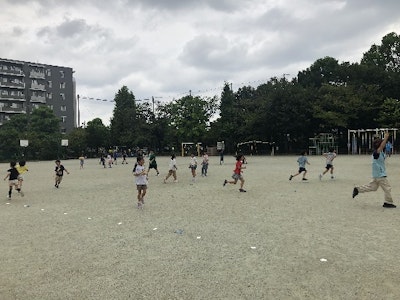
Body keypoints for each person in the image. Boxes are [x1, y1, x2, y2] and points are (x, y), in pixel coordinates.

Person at [352, 132, 396, 208]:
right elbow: (381, 146)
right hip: (380, 174)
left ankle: (358, 189)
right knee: (387, 188)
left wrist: (383, 139)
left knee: (373, 187)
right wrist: (385, 138)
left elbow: (381, 147)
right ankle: (388, 202)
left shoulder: (379, 152)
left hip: (376, 174)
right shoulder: (376, 153)